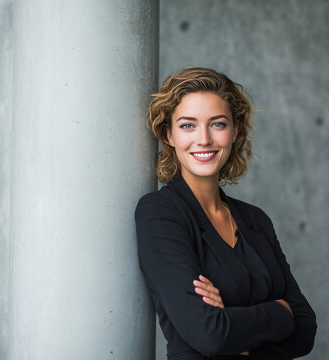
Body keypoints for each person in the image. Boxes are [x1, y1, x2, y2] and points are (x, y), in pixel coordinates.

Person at [134, 67, 317, 360]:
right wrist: (281, 312)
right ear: (169, 135)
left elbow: (306, 330)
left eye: (217, 124)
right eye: (187, 126)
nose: (204, 139)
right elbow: (209, 334)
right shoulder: (160, 214)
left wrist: (233, 325)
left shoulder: (256, 220)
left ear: (235, 132)